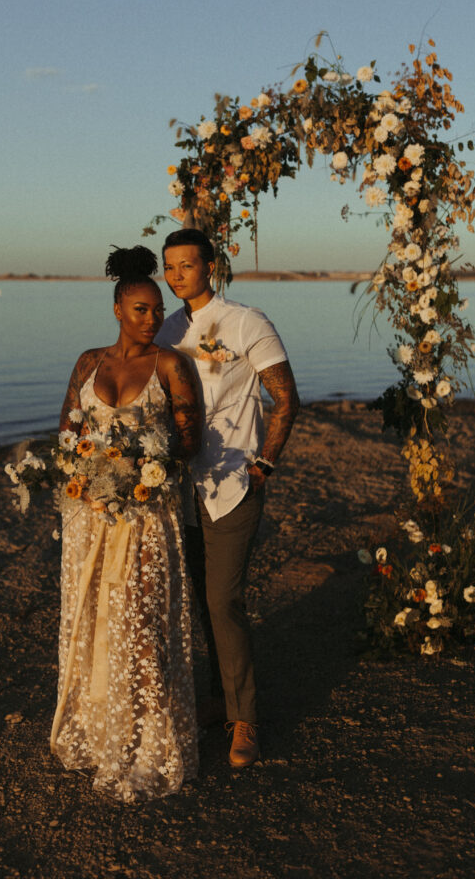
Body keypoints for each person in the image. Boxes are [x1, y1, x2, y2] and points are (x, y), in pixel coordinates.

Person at [50, 245, 202, 802]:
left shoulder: (170, 367)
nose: (152, 319)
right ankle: (98, 729)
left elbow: (189, 443)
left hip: (145, 518)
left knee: (141, 623)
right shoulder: (89, 362)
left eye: (158, 310)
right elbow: (67, 432)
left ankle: (147, 741)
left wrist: (140, 464)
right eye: (141, 309)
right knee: (93, 616)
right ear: (118, 309)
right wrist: (84, 469)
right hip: (90, 519)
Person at [155, 228, 299, 768]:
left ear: (209, 267)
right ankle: (218, 699)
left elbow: (286, 397)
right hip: (181, 486)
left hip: (234, 483)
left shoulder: (247, 321)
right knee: (202, 601)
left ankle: (247, 719)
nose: (176, 276)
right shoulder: (167, 330)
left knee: (224, 601)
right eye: (169, 268)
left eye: (186, 266)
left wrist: (265, 462)